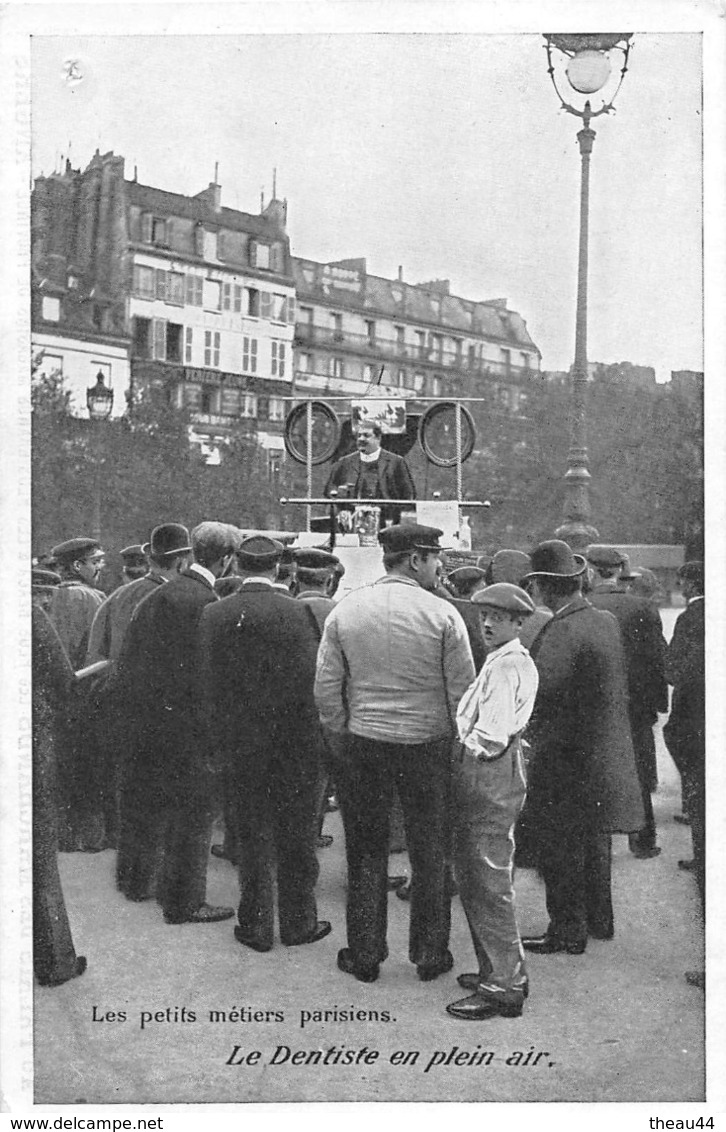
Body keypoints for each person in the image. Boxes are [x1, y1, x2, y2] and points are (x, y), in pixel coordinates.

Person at [315, 524, 475, 983]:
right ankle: (430, 954)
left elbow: (326, 688)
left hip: (365, 744)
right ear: (414, 560)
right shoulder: (443, 615)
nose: (439, 565)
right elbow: (461, 693)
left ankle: (365, 955)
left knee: (365, 851)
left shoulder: (347, 610)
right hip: (427, 747)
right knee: (430, 851)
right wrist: (453, 743)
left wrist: (343, 735)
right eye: (434, 557)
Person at [198, 535, 330, 952]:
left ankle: (255, 926)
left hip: (239, 745)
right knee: (297, 835)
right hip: (295, 744)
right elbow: (314, 682)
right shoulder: (300, 613)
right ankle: (299, 924)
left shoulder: (214, 614)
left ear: (237, 565)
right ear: (278, 569)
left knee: (251, 835)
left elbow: (204, 687)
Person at [519, 540, 644, 954]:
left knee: (560, 847)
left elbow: (542, 691)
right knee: (594, 842)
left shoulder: (561, 629)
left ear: (543, 586)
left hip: (565, 758)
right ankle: (599, 920)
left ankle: (567, 930)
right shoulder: (602, 620)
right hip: (600, 750)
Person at [114, 521, 236, 925]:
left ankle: (136, 882)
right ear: (227, 559)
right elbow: (207, 677)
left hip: (146, 722)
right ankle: (184, 902)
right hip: (185, 728)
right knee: (192, 815)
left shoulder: (158, 595)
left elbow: (130, 661)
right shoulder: (205, 601)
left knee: (148, 805)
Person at [446, 583, 539, 1021]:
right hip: (498, 773)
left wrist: (461, 750)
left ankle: (504, 986)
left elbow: (491, 735)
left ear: (519, 622)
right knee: (481, 876)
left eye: (499, 617)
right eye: (484, 614)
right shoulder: (503, 660)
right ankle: (496, 970)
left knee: (488, 881)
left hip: (488, 774)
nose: (487, 622)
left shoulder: (506, 667)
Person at [85, 524, 197, 849]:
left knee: (128, 778)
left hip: (119, 700)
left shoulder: (118, 596)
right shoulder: (177, 598)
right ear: (181, 561)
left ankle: (125, 843)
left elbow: (97, 652)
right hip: (163, 708)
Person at [587, 545, 669, 859]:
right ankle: (642, 840)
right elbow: (655, 660)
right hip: (635, 705)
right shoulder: (643, 608)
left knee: (595, 770)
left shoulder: (585, 606)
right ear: (620, 572)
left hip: (597, 704)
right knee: (638, 772)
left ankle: (598, 842)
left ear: (593, 572)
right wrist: (656, 705)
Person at [32, 591, 87, 987]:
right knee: (36, 853)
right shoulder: (25, 610)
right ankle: (55, 961)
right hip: (24, 738)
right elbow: (62, 679)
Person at [46, 538, 108, 852]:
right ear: (77, 566)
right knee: (89, 766)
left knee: (65, 766)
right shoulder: (89, 598)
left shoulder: (52, 596)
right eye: (96, 561)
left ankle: (66, 836)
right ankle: (92, 836)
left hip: (59, 697)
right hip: (86, 694)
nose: (101, 567)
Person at [663, 562, 705, 901]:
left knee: (698, 782)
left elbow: (674, 671)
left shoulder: (689, 619)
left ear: (692, 583)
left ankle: (704, 857)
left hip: (694, 714)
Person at [323, 423, 416, 526]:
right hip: (353, 521)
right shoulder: (345, 462)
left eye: (366, 435)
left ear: (378, 438)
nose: (361, 439)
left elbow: (408, 494)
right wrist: (342, 509)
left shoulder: (396, 462)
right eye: (359, 436)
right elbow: (330, 489)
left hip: (387, 522)